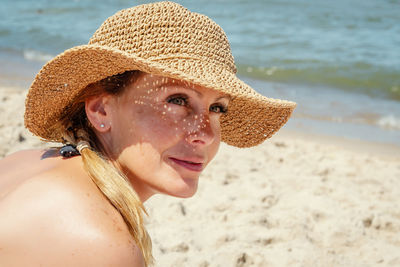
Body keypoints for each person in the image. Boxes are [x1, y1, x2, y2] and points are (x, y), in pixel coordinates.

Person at [0, 1, 296, 266]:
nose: (204, 134)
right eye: (177, 100)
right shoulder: (100, 242)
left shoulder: (26, 162)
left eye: (218, 108)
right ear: (101, 110)